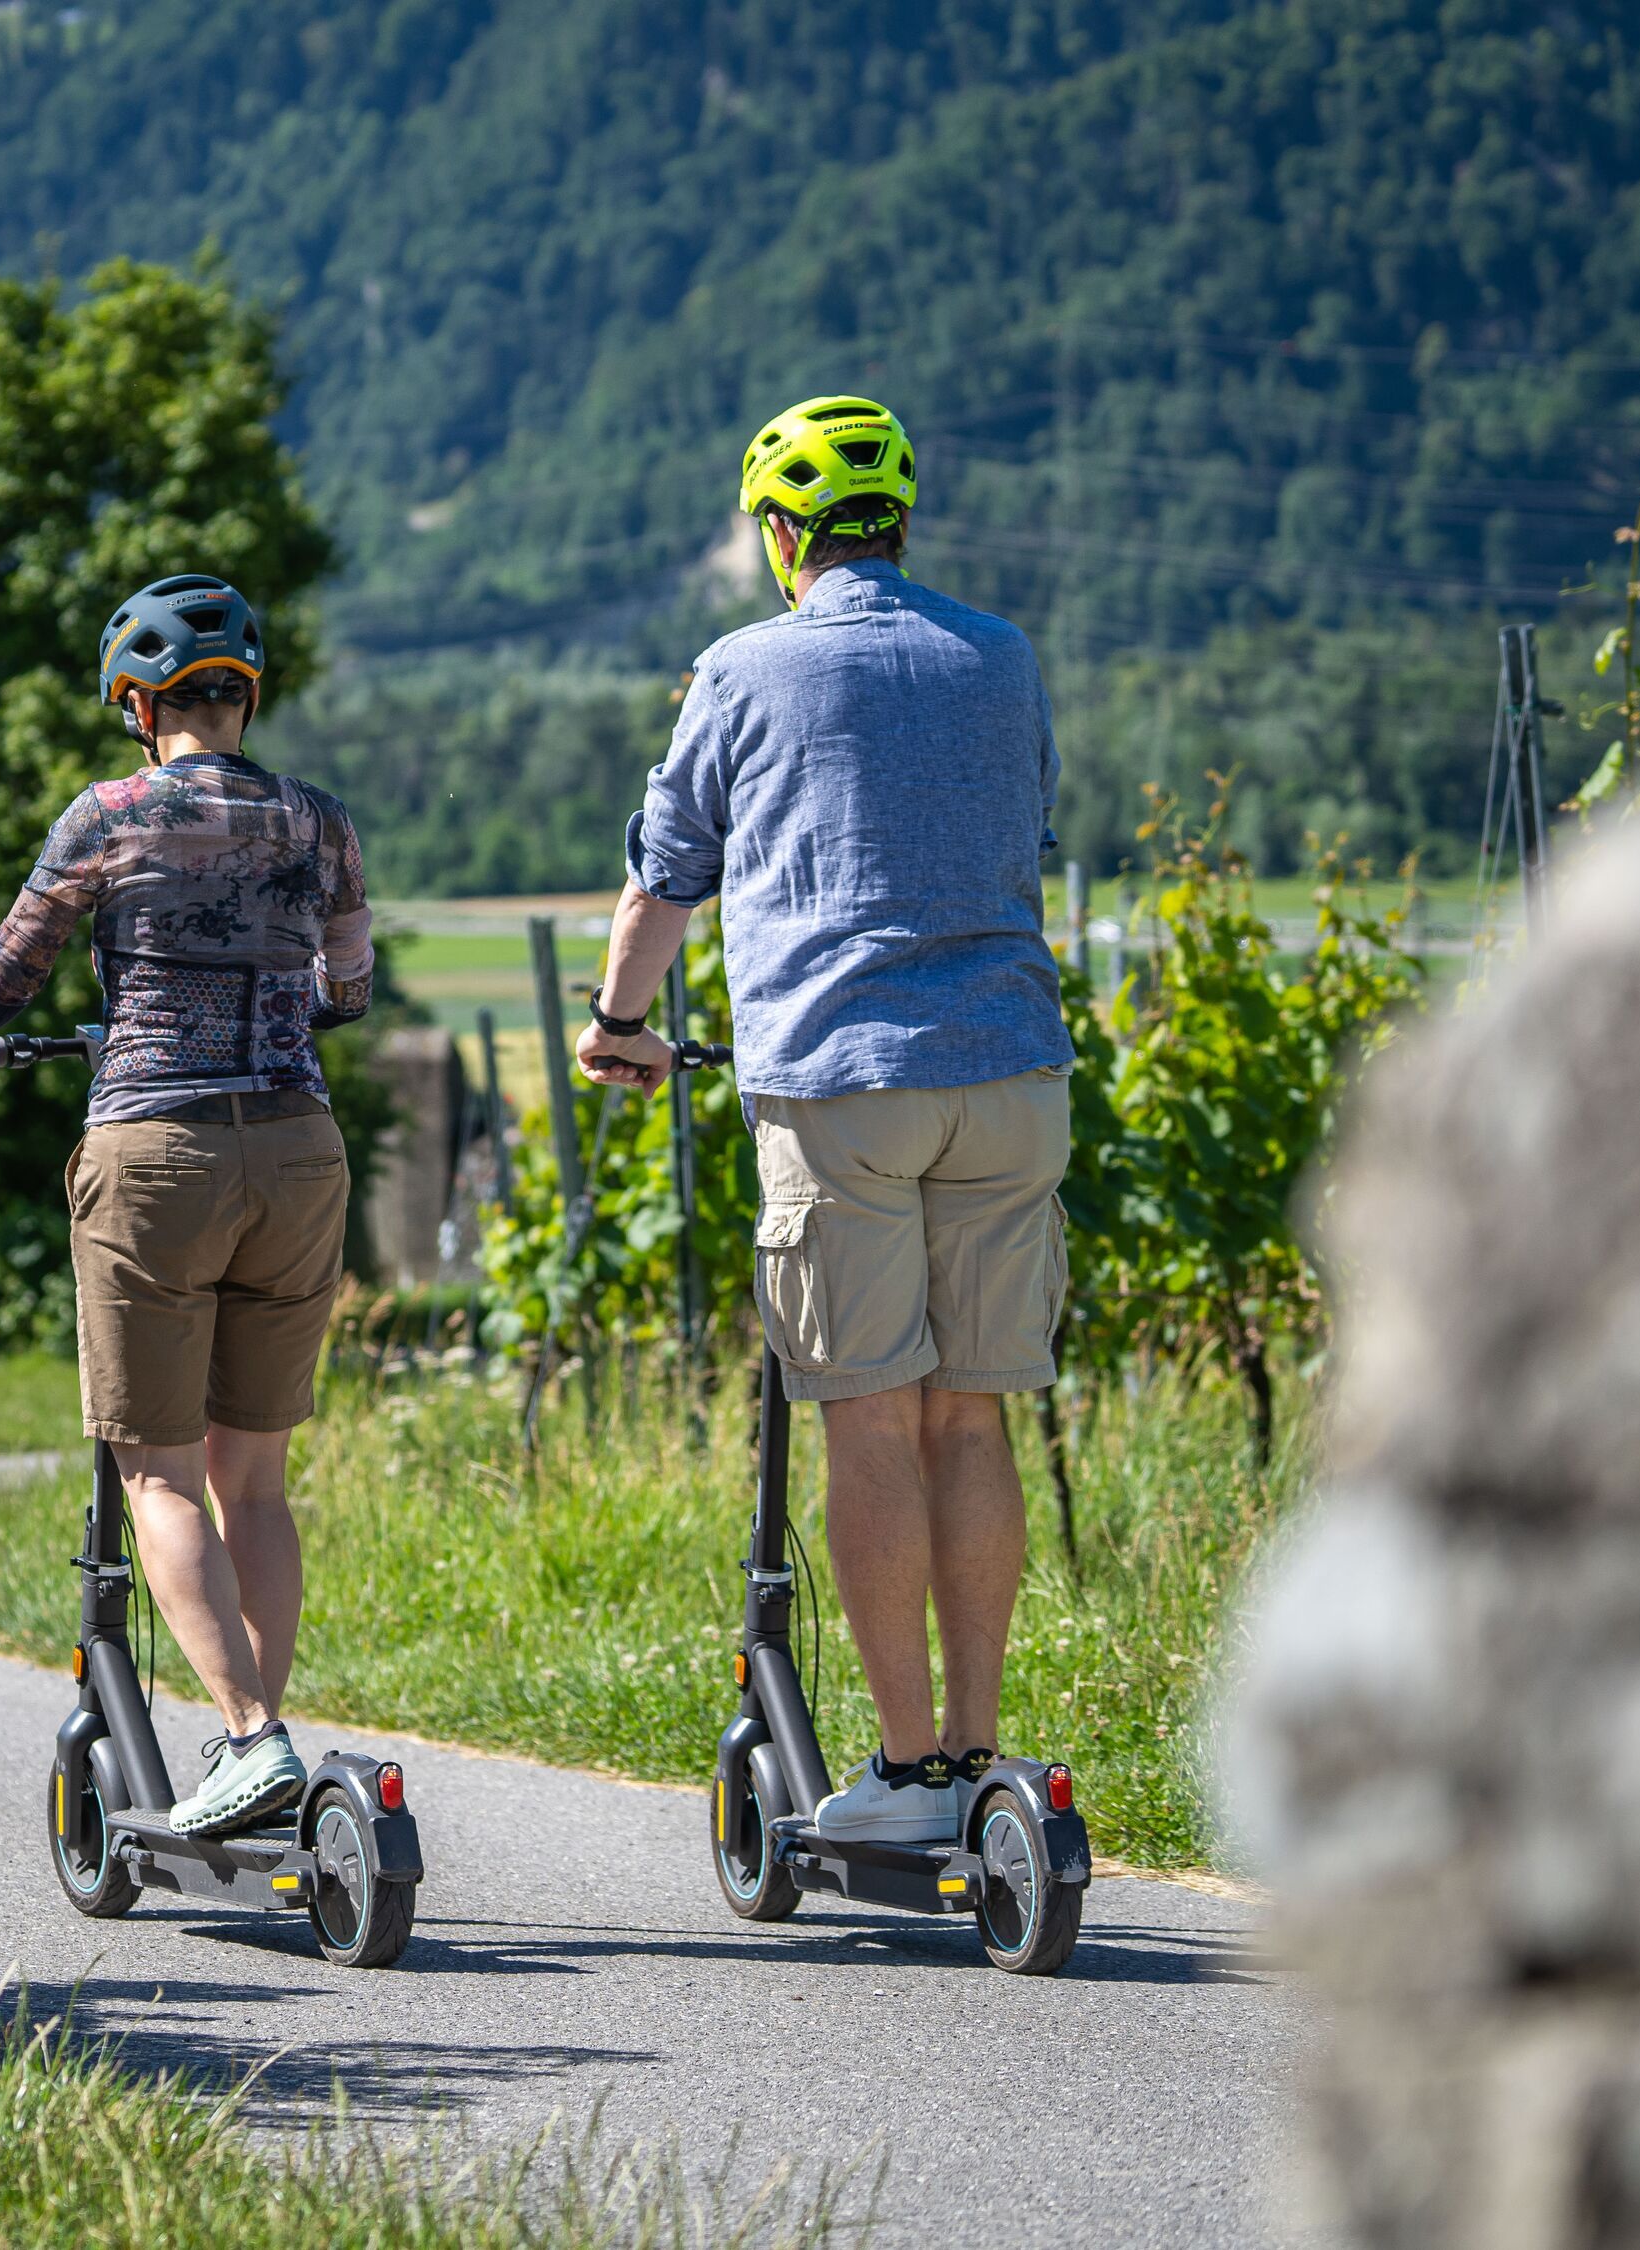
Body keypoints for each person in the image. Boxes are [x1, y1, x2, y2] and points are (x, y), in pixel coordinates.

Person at [575, 396, 1071, 1844]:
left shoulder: (742, 666)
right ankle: (982, 1761)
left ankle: (908, 1773)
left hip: (842, 1084)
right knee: (968, 1412)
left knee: (864, 1414)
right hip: (1009, 1070)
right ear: (900, 521)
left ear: (784, 536)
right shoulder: (1002, 653)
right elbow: (1023, 830)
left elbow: (666, 877)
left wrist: (618, 1028)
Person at [0, 575, 372, 1839]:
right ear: (245, 696)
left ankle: (246, 1737)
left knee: (156, 1474)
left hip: (157, 1151)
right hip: (298, 1152)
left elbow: (12, 968)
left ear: (136, 701)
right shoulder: (319, 821)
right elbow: (349, 986)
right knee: (255, 1482)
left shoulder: (108, 815)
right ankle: (257, 1750)